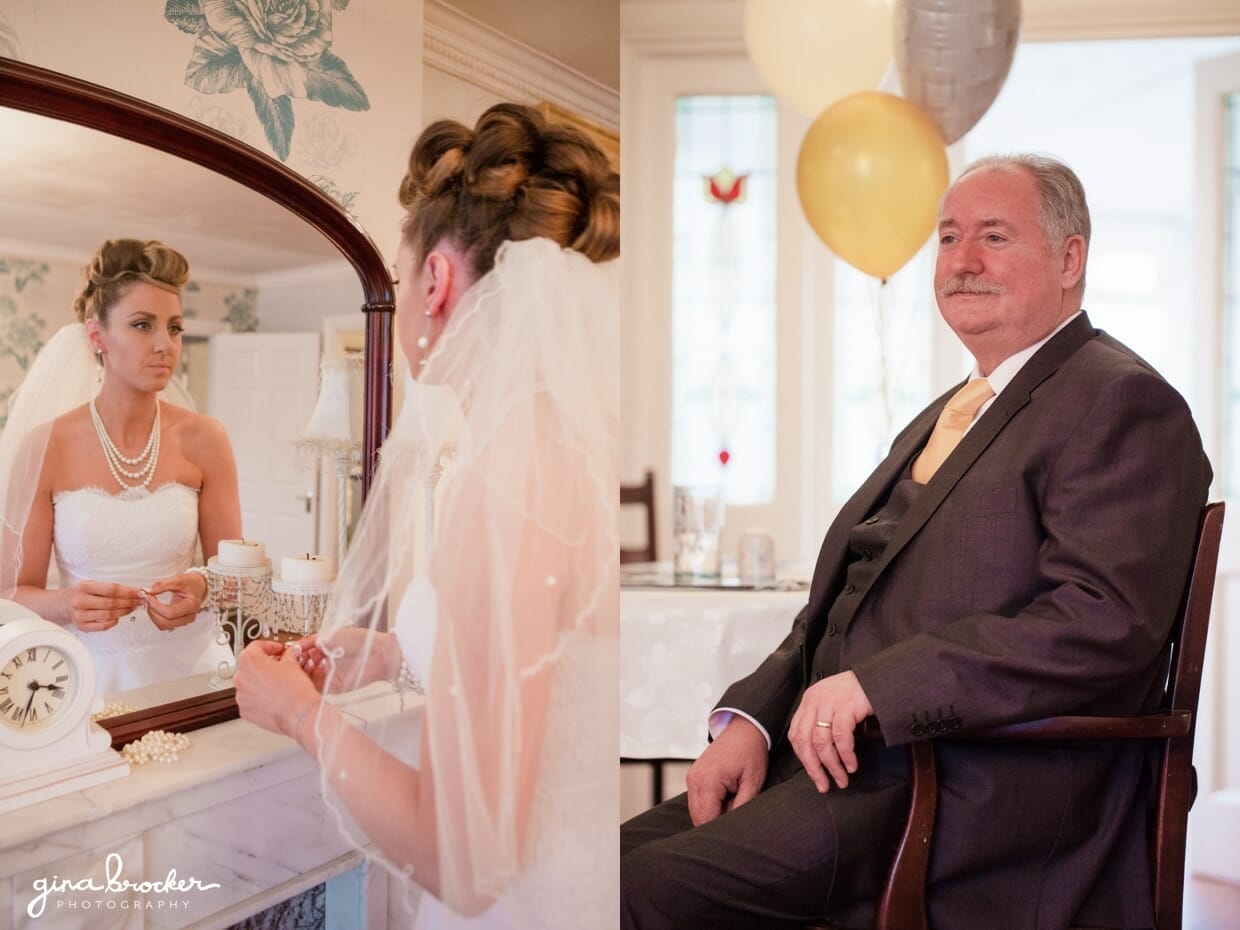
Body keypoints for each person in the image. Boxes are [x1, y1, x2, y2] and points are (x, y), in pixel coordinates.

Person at [620, 154, 1211, 930]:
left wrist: (881, 688)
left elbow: (1101, 623)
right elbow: (837, 606)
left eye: (994, 236)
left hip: (965, 787)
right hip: (842, 772)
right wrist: (753, 722)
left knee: (640, 893)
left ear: (1071, 260)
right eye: (947, 237)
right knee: (601, 868)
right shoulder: (950, 409)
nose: (962, 262)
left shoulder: (1123, 400)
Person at [233, 102, 620, 930]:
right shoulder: (557, 448)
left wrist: (298, 715)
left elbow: (466, 862)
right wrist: (396, 653)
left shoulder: (509, 478)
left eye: (403, 275)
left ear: (437, 283)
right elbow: (545, 672)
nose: (404, 296)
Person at [0, 238, 240, 695]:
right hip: (89, 678)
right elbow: (11, 594)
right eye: (142, 325)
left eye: (173, 328)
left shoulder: (207, 439)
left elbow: (234, 574)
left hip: (194, 671)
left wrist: (202, 588)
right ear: (96, 336)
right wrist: (69, 605)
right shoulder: (46, 446)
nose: (163, 345)